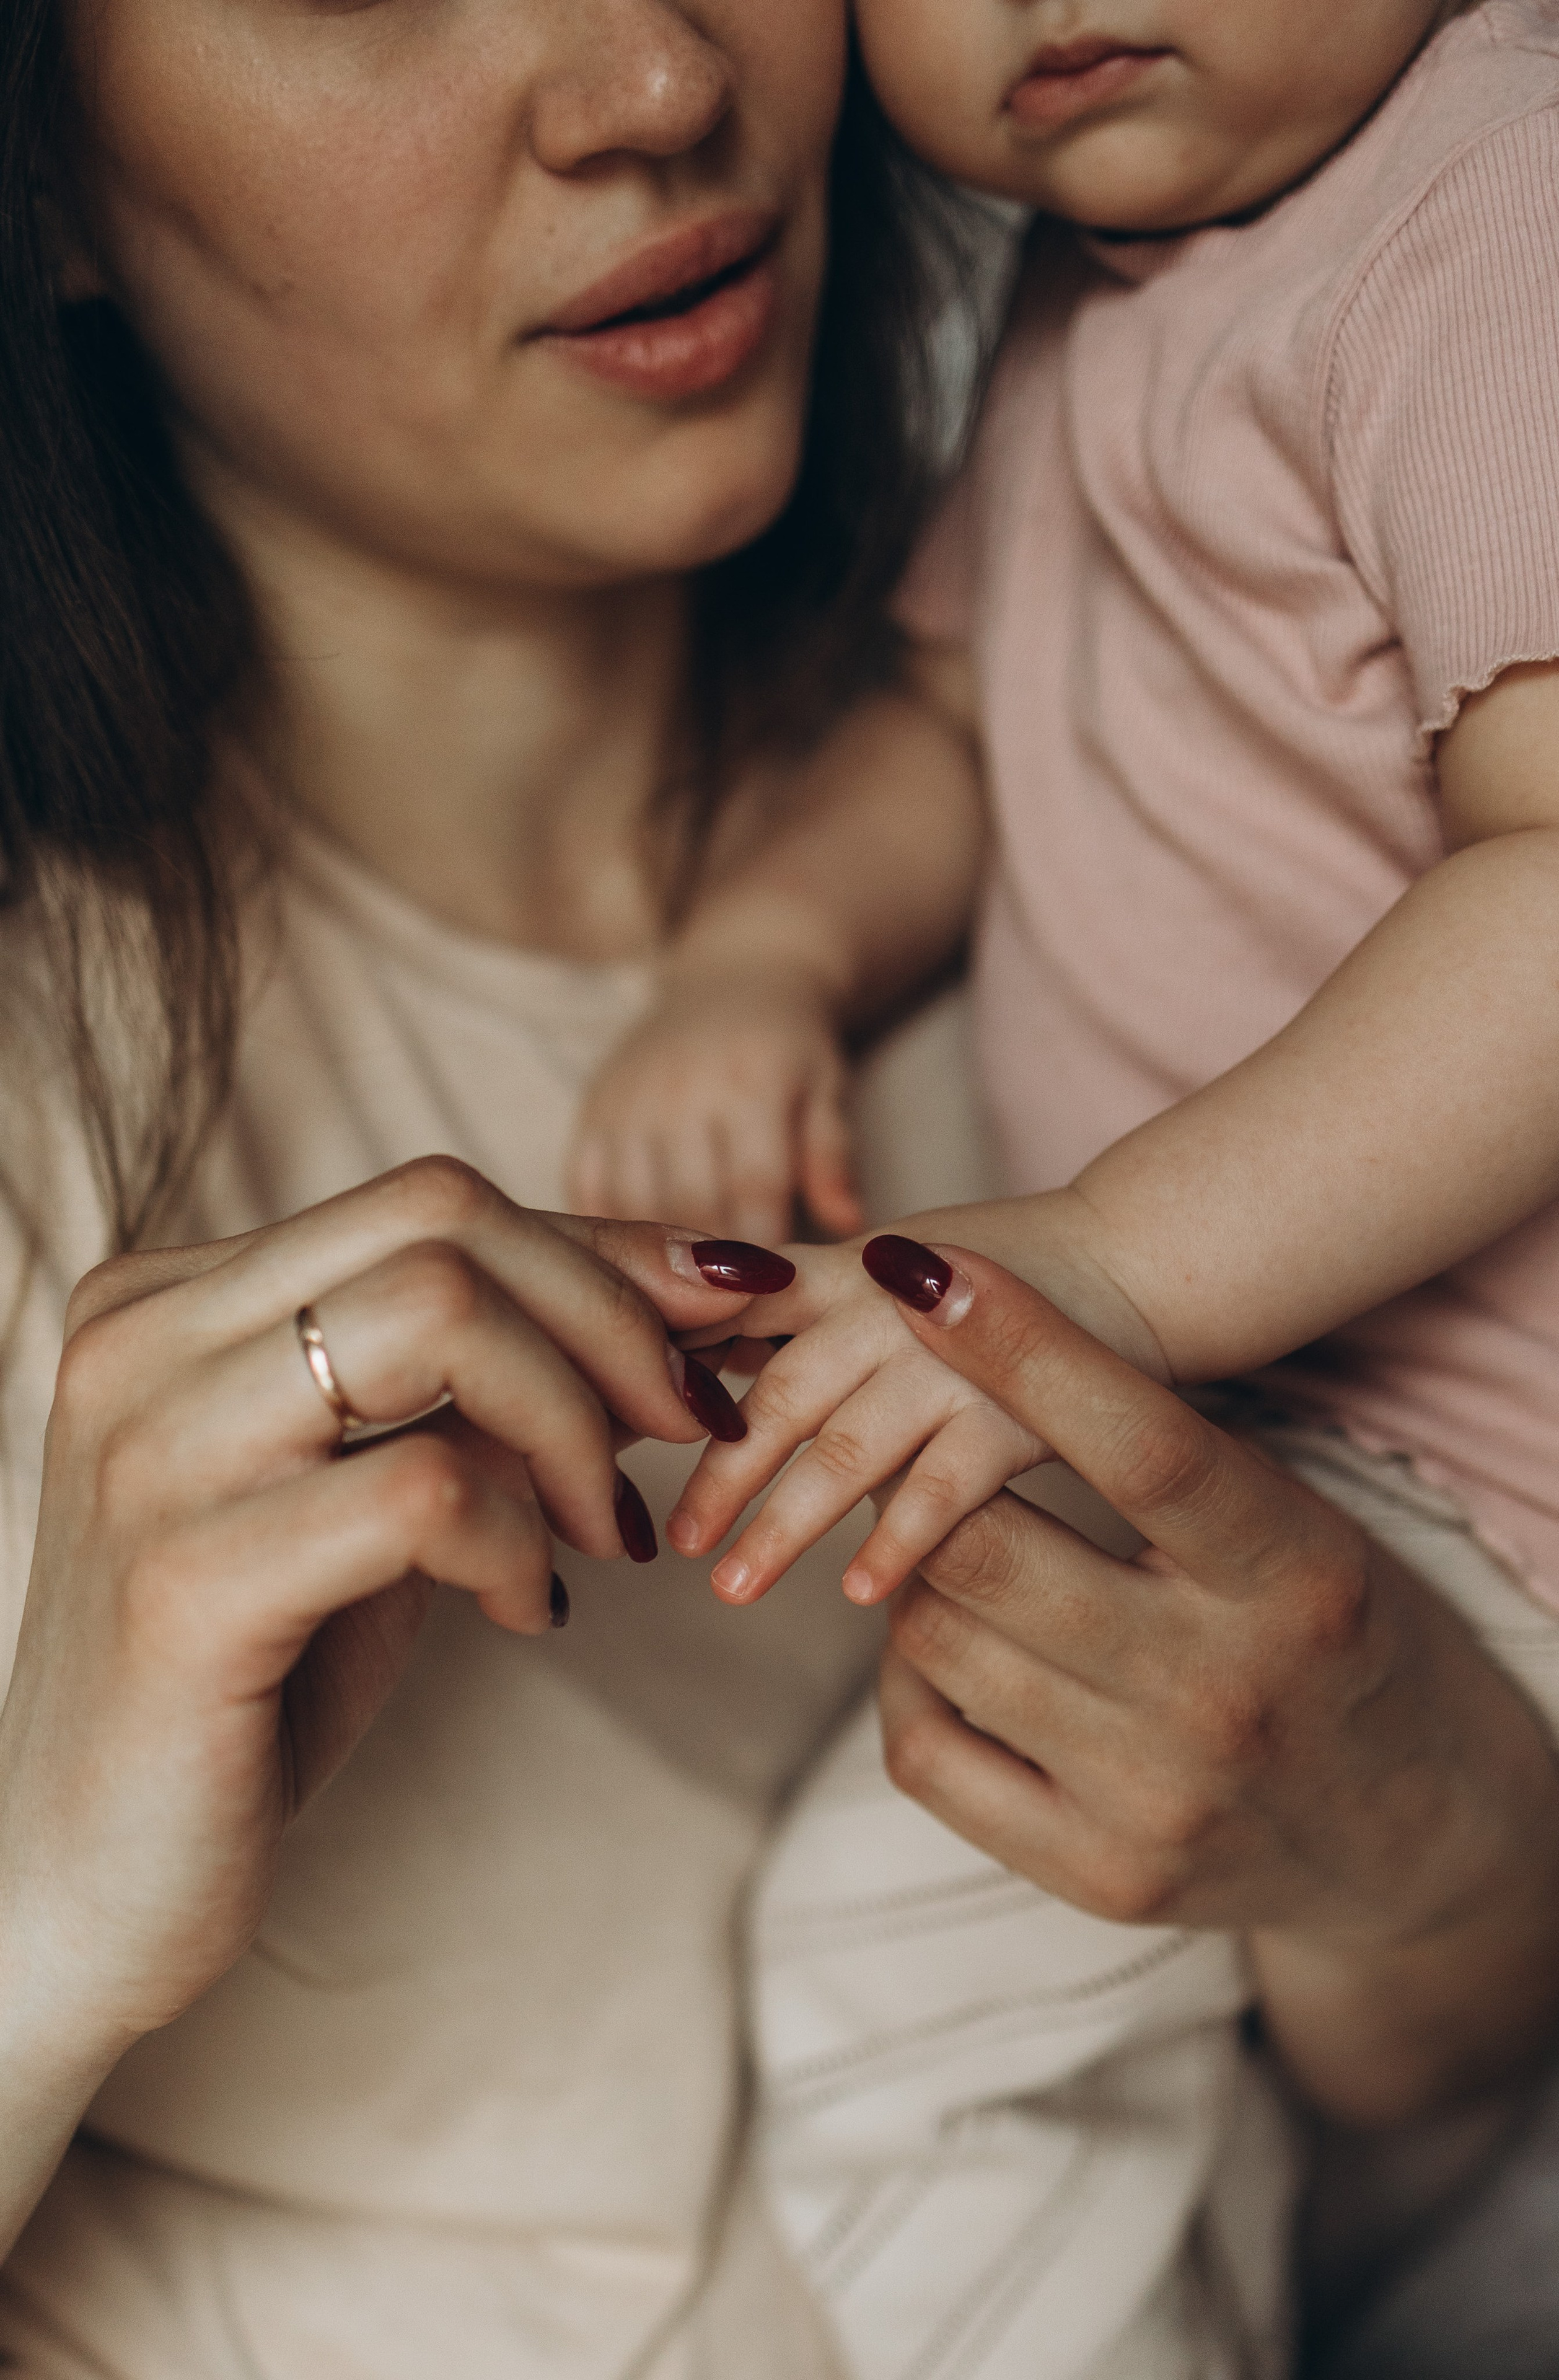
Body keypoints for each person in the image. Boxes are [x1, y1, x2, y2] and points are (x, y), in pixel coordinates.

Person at [568, 0, 1559, 2368]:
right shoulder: (1112, 275)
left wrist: (1110, 1259)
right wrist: (770, 948)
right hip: (1302, 1447)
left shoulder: (1502, 205)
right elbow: (961, 718)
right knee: (1126, 2058)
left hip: (1507, 1469)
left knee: (898, 2003)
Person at [0, 2, 971, 2371]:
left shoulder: (1263, 804)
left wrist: (1416, 1835)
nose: (654, 84)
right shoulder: (50, 1092)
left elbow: (1439, 2189)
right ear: (41, 183)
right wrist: (37, 1918)